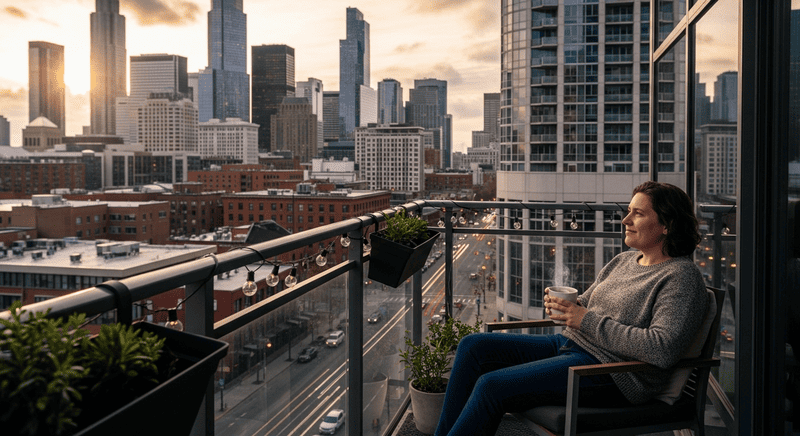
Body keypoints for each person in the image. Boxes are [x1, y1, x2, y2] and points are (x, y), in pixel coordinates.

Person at [434, 181, 707, 436]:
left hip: (612, 373)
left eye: (638, 214)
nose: (625, 220)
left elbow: (662, 348)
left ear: (667, 225)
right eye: (628, 212)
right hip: (570, 346)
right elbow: (585, 306)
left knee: (491, 385)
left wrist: (584, 320)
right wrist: (566, 308)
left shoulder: (681, 277)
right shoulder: (624, 260)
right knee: (473, 346)